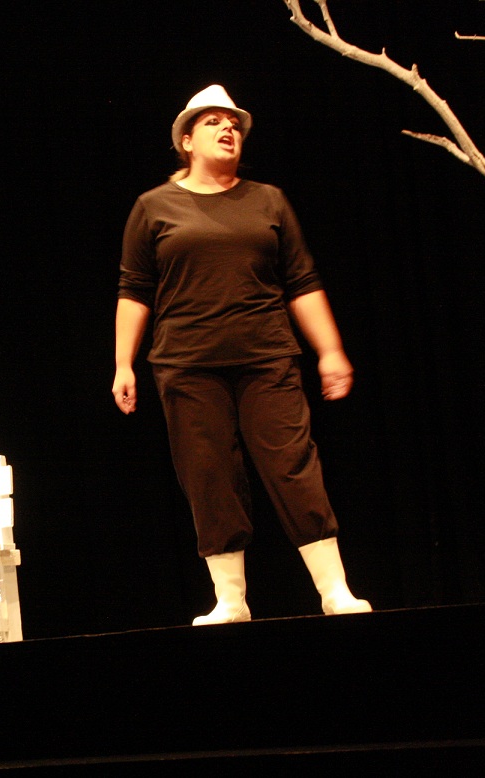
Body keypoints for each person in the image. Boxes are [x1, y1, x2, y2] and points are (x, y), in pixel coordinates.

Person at [112, 84, 371, 625]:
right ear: (186, 140)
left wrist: (330, 350)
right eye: (213, 122)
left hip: (266, 356)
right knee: (209, 476)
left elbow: (302, 280)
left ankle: (335, 592)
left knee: (293, 467)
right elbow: (134, 289)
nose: (228, 128)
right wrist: (123, 363)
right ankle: (231, 601)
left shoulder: (268, 200)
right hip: (186, 364)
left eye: (233, 123)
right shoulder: (153, 207)